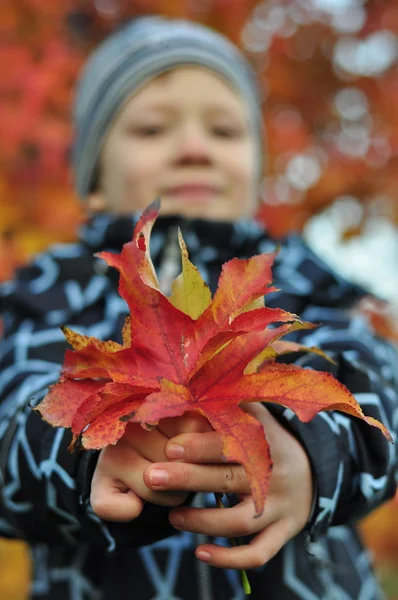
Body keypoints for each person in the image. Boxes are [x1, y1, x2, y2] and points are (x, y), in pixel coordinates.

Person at [0, 15, 397, 600]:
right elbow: (13, 405)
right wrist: (84, 455)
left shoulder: (292, 283)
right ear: (93, 184)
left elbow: (380, 383)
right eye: (153, 129)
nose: (193, 148)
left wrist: (316, 455)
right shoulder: (59, 290)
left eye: (224, 131)